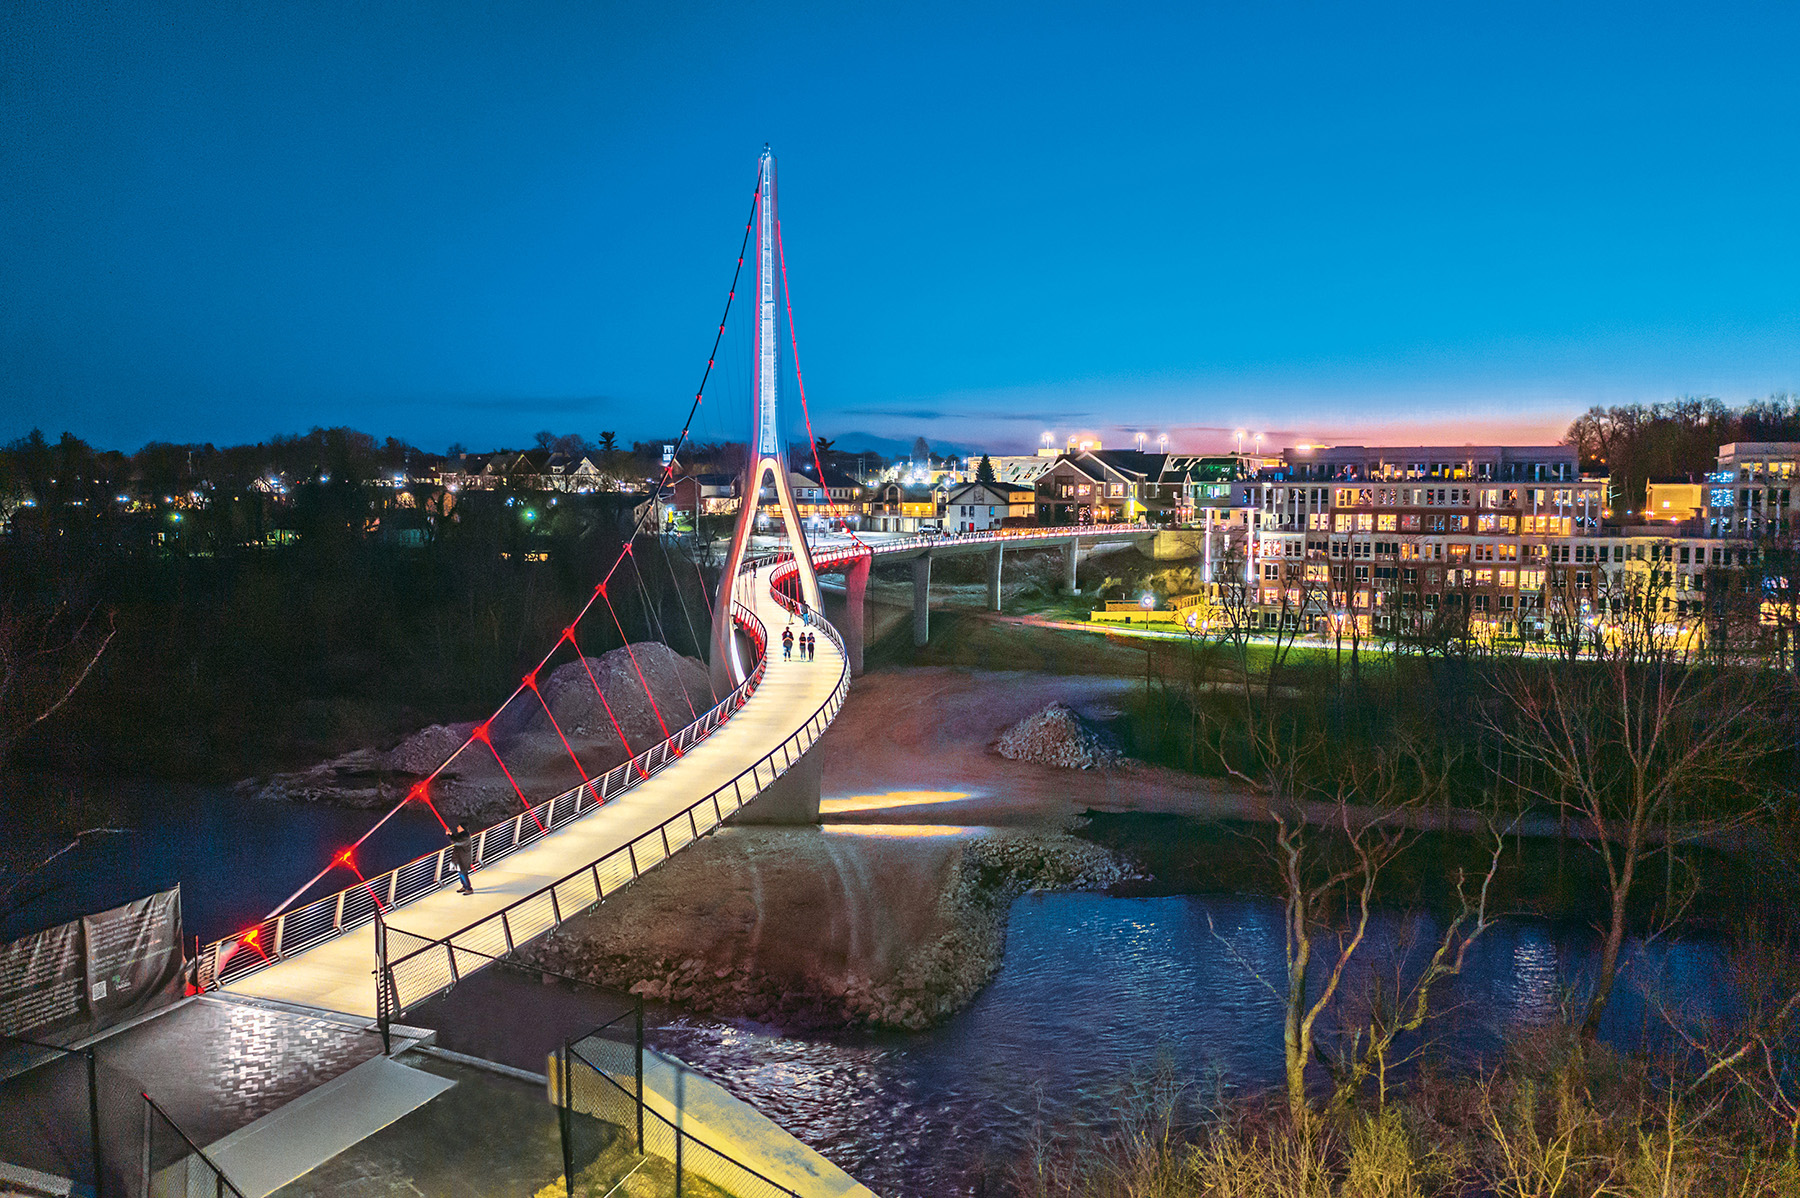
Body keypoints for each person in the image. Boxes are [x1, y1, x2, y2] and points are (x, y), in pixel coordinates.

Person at [449, 823, 475, 894]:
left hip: (463, 858)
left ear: (463, 828)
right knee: (461, 873)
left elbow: (455, 842)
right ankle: (464, 886)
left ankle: (468, 889)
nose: (457, 827)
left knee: (463, 873)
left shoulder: (465, 836)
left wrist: (450, 835)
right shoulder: (463, 835)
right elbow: (456, 840)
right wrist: (451, 835)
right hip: (461, 857)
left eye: (459, 827)